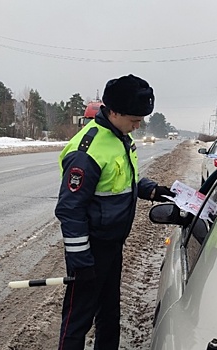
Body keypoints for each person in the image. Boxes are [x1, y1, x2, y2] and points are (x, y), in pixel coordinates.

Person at [54, 74, 174, 350]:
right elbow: (70, 210)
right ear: (115, 111)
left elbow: (121, 182)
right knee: (78, 320)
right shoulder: (88, 150)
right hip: (90, 250)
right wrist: (81, 261)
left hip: (112, 244)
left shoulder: (120, 137)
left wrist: (153, 190)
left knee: (109, 313)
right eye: (134, 119)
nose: (139, 124)